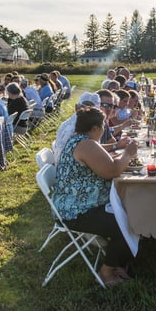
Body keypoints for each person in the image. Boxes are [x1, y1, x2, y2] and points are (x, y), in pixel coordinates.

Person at [52, 106, 138, 286]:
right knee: (126, 223)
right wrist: (128, 154)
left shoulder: (80, 140)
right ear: (96, 129)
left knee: (128, 214)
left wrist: (121, 158)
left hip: (79, 204)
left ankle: (119, 263)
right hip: (76, 211)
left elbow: (106, 163)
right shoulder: (86, 144)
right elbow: (112, 170)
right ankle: (107, 273)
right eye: (104, 127)